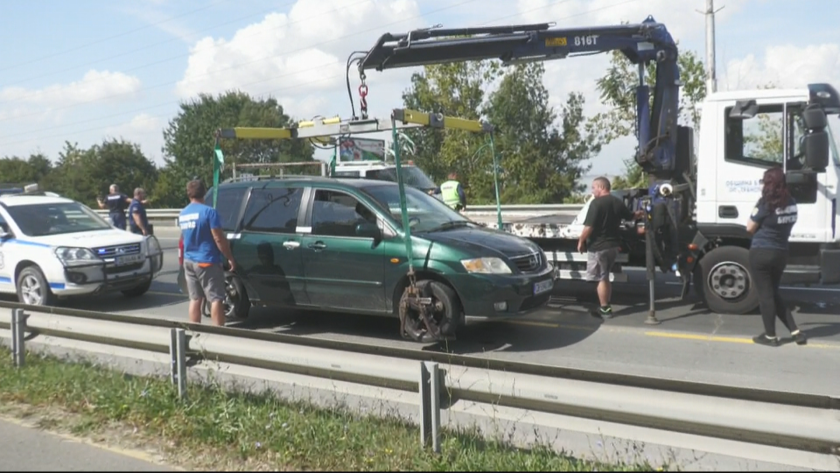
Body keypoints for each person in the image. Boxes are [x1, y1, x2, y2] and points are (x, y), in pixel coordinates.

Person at [746, 167, 807, 347]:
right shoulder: (792, 202)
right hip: (781, 252)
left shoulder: (765, 203)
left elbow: (749, 228)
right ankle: (796, 332)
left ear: (768, 183)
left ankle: (770, 336)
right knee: (772, 292)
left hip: (761, 252)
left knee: (765, 296)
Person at [577, 177, 643, 319]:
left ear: (601, 187)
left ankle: (605, 309)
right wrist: (640, 213)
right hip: (613, 246)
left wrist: (581, 241)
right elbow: (630, 216)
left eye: (593, 188)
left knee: (601, 278)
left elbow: (589, 227)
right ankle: (604, 305)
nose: (592, 191)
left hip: (598, 247)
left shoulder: (596, 204)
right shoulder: (617, 202)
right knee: (605, 276)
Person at [178, 179, 236, 327]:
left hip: (189, 261)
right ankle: (219, 333)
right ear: (204, 193)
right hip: (207, 260)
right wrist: (229, 257)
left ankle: (195, 332)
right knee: (216, 298)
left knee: (195, 298)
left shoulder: (183, 214)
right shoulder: (209, 212)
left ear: (189, 194)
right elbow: (218, 237)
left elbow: (184, 238)